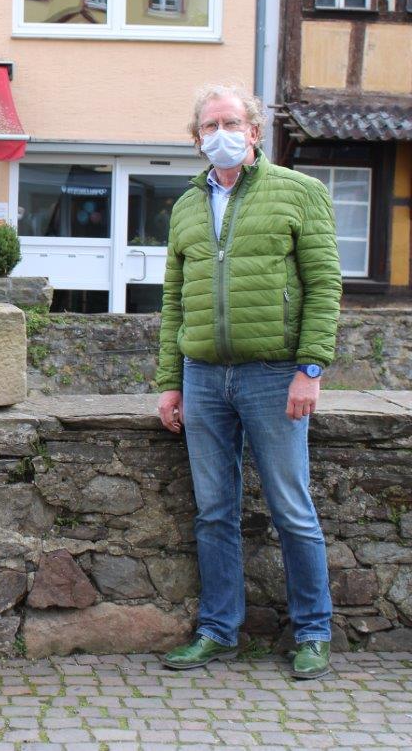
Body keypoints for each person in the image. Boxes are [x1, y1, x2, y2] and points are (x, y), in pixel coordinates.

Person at [155, 85, 342, 680]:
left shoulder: (300, 193)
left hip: (273, 375)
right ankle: (217, 631)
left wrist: (310, 368)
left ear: (255, 131)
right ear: (197, 139)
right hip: (204, 376)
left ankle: (313, 632)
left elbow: (324, 284)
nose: (220, 133)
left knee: (293, 508)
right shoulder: (185, 206)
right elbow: (173, 304)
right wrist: (170, 382)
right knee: (214, 511)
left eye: (231, 122)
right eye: (209, 125)